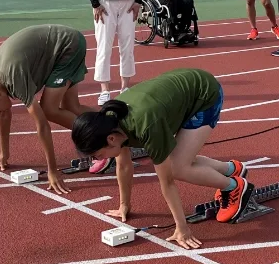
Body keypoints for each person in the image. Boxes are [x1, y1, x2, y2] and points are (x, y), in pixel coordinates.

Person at [71, 68, 253, 248]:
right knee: (181, 159)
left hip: (204, 96)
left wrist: (182, 228)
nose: (97, 160)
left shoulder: (146, 125)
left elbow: (167, 182)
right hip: (181, 92)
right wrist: (124, 205)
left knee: (177, 167)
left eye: (98, 155)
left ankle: (234, 187)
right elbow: (124, 165)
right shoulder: (110, 121)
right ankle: (232, 170)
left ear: (110, 139)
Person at [0, 25, 92, 195]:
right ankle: (113, 124)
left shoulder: (14, 78)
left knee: (49, 110)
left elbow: (42, 125)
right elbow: (5, 114)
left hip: (67, 46)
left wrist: (52, 170)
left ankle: (99, 137)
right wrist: (4, 153)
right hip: (61, 45)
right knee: (72, 108)